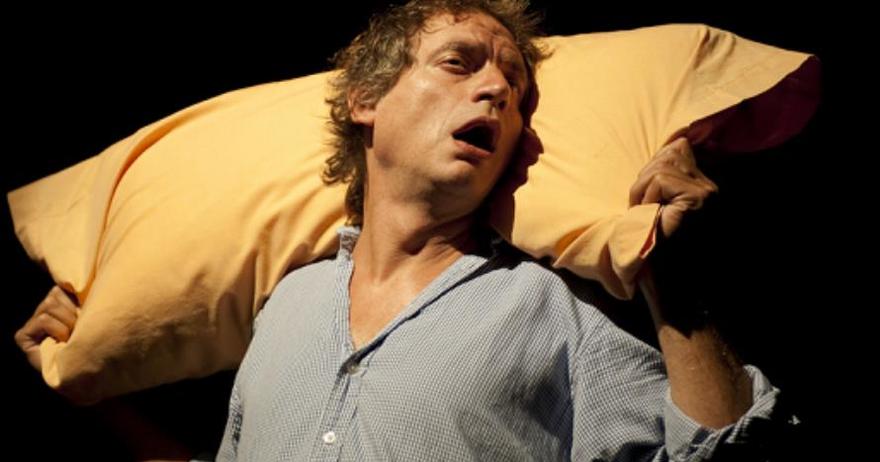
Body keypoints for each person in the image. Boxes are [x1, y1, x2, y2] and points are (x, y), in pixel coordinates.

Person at [16, 1, 798, 460]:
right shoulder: (285, 307)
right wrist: (87, 394)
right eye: (460, 63)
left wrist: (677, 281)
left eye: (515, 85)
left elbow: (724, 454)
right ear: (366, 101)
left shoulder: (550, 310)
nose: (497, 91)